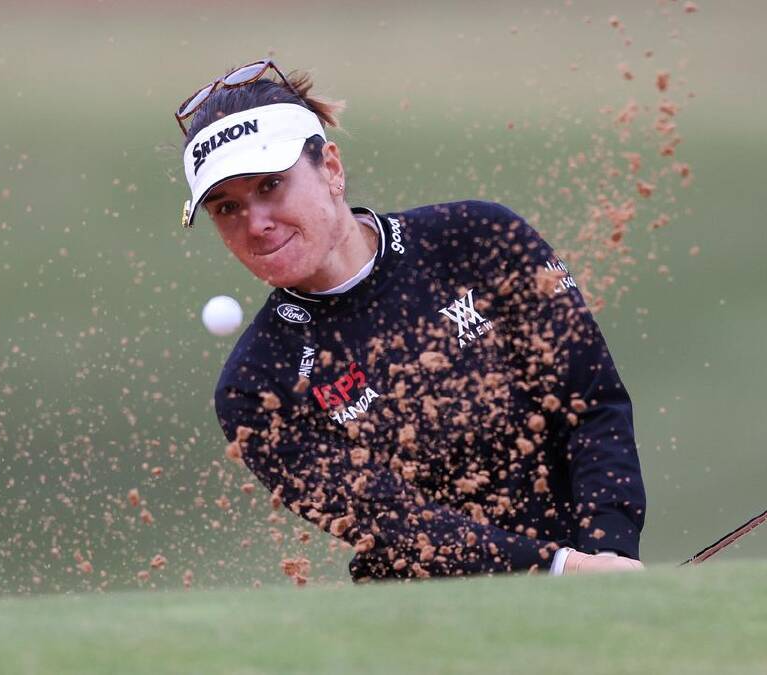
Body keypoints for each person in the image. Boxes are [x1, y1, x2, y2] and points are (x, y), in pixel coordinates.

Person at [176, 58, 646, 579]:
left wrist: (611, 555)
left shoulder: (479, 239)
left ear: (331, 169)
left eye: (270, 186)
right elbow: (401, 525)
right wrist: (565, 570)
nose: (256, 223)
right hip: (422, 622)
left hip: (588, 575)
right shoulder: (258, 385)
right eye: (226, 208)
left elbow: (592, 406)